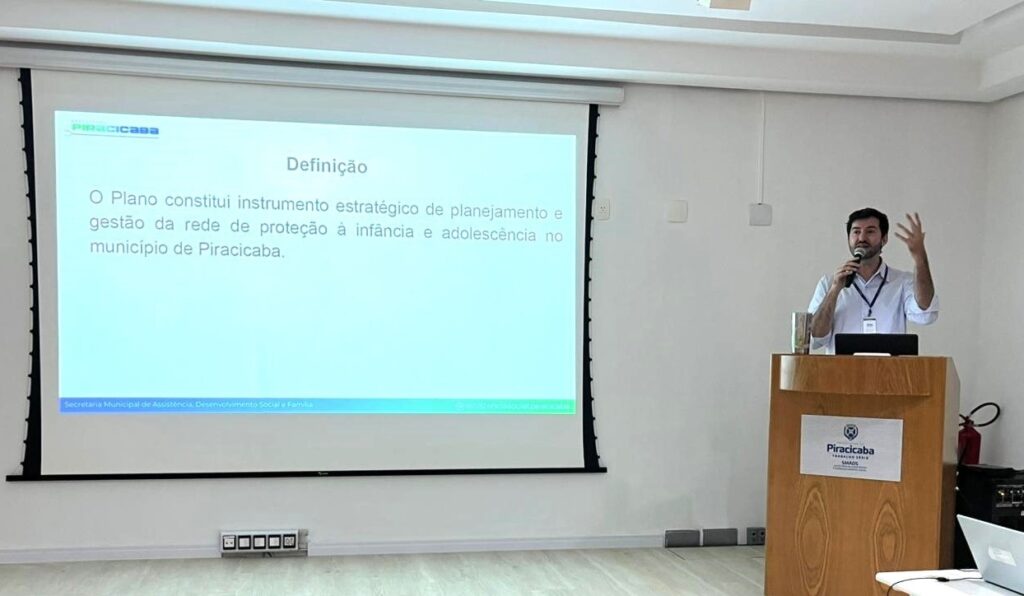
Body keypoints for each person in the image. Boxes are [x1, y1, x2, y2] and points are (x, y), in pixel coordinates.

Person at [808, 208, 938, 353]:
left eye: (870, 231)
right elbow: (816, 337)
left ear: (884, 238)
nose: (862, 238)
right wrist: (834, 290)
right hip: (841, 374)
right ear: (848, 238)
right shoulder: (828, 283)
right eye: (856, 232)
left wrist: (920, 258)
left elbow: (926, 313)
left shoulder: (901, 282)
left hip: (889, 373)